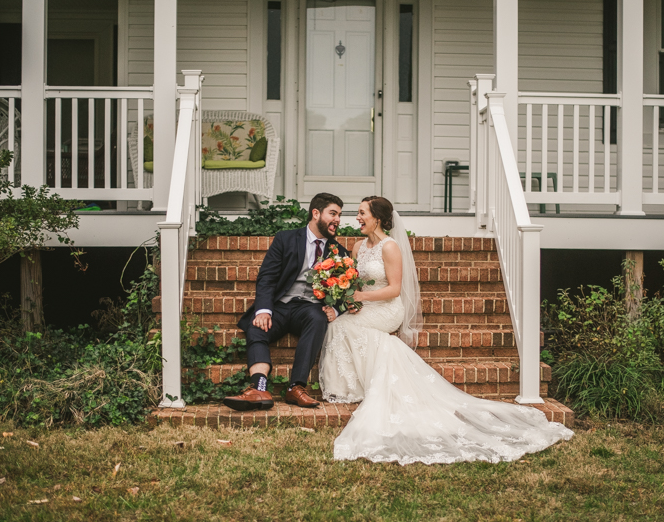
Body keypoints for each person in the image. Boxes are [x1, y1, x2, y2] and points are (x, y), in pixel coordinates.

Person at [318, 196, 573, 465]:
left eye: (362, 213)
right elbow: (353, 282)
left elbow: (394, 290)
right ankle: (351, 386)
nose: (357, 218)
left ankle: (370, 383)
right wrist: (350, 300)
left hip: (387, 308)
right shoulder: (357, 247)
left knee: (347, 325)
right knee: (341, 324)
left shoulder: (390, 247)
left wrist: (361, 299)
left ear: (377, 218)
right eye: (358, 213)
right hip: (366, 305)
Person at [224, 193, 350, 412]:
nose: (337, 220)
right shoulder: (286, 238)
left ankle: (296, 387)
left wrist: (336, 310)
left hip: (309, 308)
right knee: (256, 328)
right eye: (333, 213)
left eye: (339, 215)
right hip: (281, 305)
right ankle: (259, 387)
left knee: (318, 319)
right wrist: (264, 309)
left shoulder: (339, 253)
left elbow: (348, 289)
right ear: (316, 213)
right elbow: (267, 276)